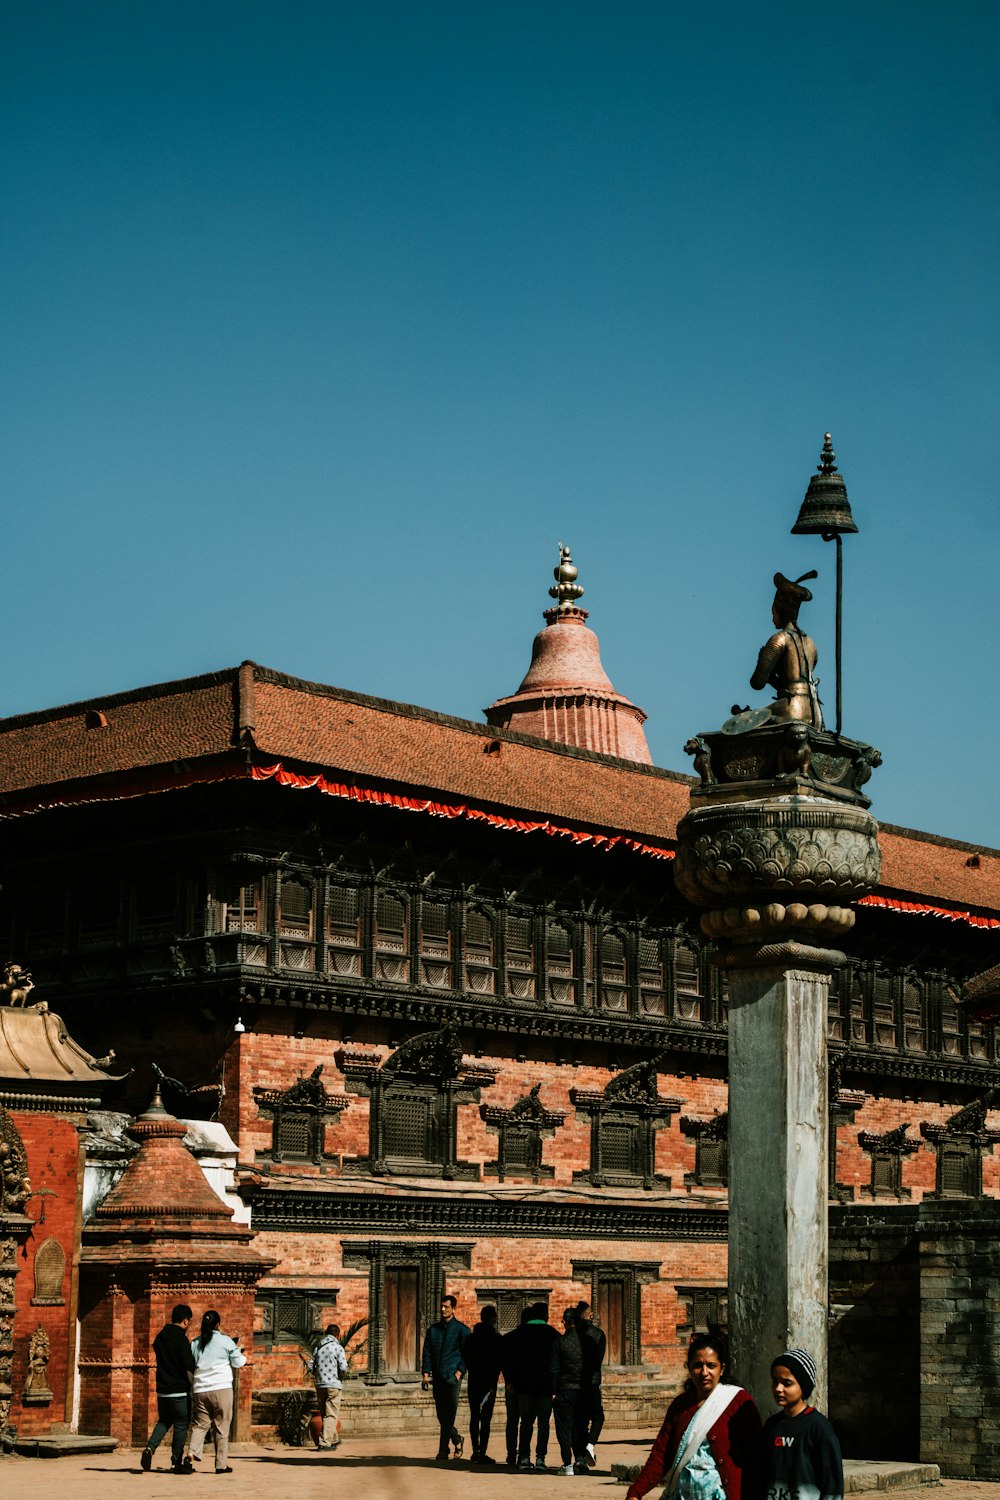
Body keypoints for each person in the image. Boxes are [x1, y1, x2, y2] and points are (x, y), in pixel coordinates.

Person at [626, 1329, 761, 1500]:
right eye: (697, 1365)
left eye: (711, 1366)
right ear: (689, 1368)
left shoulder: (738, 1402)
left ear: (722, 1368)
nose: (704, 1372)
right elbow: (661, 1455)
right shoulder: (680, 1407)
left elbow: (755, 1459)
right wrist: (636, 1492)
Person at [762, 1349, 843, 1500]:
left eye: (787, 1383)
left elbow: (832, 1482)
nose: (778, 1389)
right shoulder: (771, 1426)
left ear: (803, 1386)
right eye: (775, 1381)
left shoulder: (819, 1428)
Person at [750, 572, 823, 728]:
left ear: (779, 610)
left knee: (744, 720)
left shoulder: (779, 639)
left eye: (773, 611)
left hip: (791, 709)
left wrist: (764, 665)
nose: (772, 616)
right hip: (813, 711)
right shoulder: (810, 643)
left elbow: (757, 682)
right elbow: (796, 682)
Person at [186, 1309, 247, 1475]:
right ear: (218, 1324)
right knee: (221, 1427)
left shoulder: (195, 1342)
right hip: (221, 1389)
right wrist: (240, 1351)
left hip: (200, 1390)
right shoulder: (226, 1341)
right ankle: (221, 1465)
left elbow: (192, 1364)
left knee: (200, 1425)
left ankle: (191, 1454)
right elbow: (238, 1363)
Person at [140, 1303, 195, 1474]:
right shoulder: (181, 1339)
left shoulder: (160, 1337)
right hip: (179, 1389)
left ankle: (150, 1447)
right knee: (180, 1424)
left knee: (164, 1421)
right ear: (185, 1321)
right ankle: (175, 1462)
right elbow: (189, 1364)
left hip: (163, 1389)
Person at [421, 1293, 470, 1462]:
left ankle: (443, 1450)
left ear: (453, 1309)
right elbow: (427, 1352)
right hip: (438, 1378)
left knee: (449, 1414)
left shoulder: (462, 1330)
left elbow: (467, 1355)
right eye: (441, 1307)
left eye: (446, 1307)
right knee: (442, 1415)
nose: (442, 1309)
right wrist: (425, 1373)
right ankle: (457, 1439)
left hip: (453, 1377)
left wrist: (459, 1372)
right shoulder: (433, 1330)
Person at [513, 1302, 559, 1471]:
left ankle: (524, 1457)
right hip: (545, 1387)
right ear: (546, 1315)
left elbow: (515, 1361)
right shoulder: (553, 1335)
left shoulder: (520, 1334)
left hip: (524, 1386)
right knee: (543, 1424)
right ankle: (540, 1458)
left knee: (525, 1423)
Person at [463, 1304, 504, 1464]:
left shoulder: (471, 1339)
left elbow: (466, 1359)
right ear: (493, 1319)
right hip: (489, 1384)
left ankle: (475, 1451)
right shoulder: (497, 1339)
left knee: (474, 1416)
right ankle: (482, 1452)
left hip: (474, 1381)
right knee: (486, 1419)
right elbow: (499, 1362)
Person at [551, 1306, 585, 1475]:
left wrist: (553, 1391)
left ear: (564, 1322)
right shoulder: (587, 1342)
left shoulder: (559, 1342)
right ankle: (580, 1459)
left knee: (564, 1428)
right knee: (579, 1426)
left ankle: (567, 1463)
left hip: (564, 1390)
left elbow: (554, 1370)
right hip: (582, 1391)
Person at [576, 1301, 606, 1470]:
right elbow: (598, 1361)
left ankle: (579, 1457)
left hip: (575, 1383)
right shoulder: (599, 1334)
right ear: (590, 1315)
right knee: (597, 1416)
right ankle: (590, 1444)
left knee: (579, 1420)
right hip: (593, 1382)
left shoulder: (572, 1334)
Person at [309, 1322, 348, 1451]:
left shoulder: (318, 1347)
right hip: (333, 1385)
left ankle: (334, 1439)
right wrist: (340, 1376)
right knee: (331, 1415)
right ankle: (325, 1443)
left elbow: (310, 1365)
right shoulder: (337, 1348)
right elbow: (343, 1367)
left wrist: (318, 1375)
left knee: (326, 1413)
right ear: (338, 1335)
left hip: (320, 1385)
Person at [500, 1306, 531, 1468]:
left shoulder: (509, 1338)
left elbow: (504, 1362)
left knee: (512, 1421)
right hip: (527, 1386)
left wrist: (509, 1380)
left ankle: (511, 1454)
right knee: (526, 1422)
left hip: (511, 1385)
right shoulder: (533, 1339)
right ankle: (524, 1455)